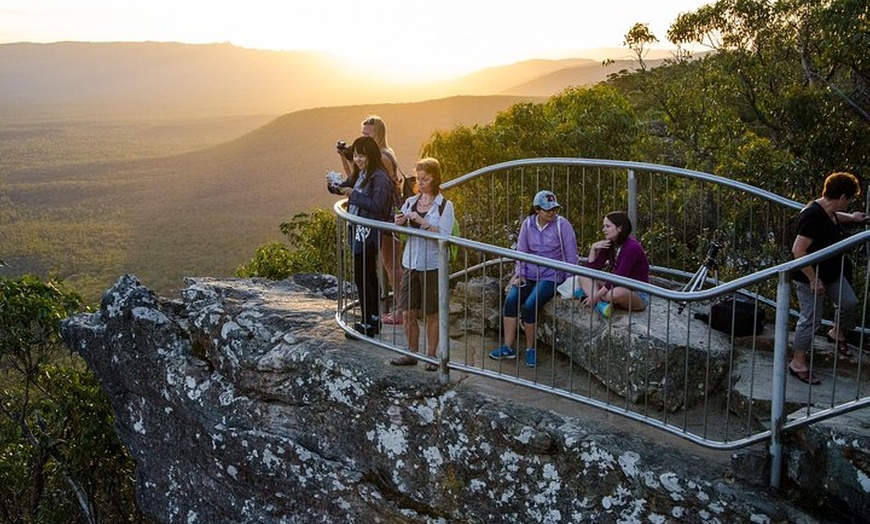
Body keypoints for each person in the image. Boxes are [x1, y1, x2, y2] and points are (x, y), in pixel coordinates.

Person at [789, 171, 868, 385]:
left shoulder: (828, 210)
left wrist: (852, 218)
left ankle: (836, 332)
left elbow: (833, 217)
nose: (849, 203)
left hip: (832, 273)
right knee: (811, 319)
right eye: (849, 199)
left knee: (849, 302)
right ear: (842, 197)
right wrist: (813, 279)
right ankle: (798, 363)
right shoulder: (812, 215)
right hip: (809, 278)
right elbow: (798, 250)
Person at [489, 190, 579, 368]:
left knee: (531, 305)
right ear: (537, 210)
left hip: (552, 274)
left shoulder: (563, 225)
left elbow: (571, 254)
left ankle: (531, 349)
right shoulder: (528, 224)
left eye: (555, 209)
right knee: (512, 300)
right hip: (529, 272)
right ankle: (508, 346)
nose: (552, 213)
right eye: (548, 210)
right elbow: (521, 251)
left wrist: (571, 281)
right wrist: (519, 273)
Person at [337, 115, 405, 326]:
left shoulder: (382, 158)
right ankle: (386, 310)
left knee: (391, 265)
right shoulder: (381, 154)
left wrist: (351, 191)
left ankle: (401, 311)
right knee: (384, 265)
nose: (364, 136)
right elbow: (358, 178)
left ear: (379, 134)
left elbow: (365, 185)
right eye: (362, 133)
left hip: (383, 218)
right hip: (379, 217)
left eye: (368, 134)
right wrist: (347, 157)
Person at [389, 158, 455, 372]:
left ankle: (431, 356)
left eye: (425, 179)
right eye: (418, 178)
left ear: (435, 178)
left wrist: (423, 223)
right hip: (411, 262)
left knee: (431, 313)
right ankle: (411, 352)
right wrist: (399, 222)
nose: (421, 182)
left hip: (432, 265)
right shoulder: (410, 202)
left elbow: (445, 235)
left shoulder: (445, 206)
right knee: (407, 312)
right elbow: (399, 231)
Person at [577, 211, 650, 318]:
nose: (603, 230)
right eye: (604, 226)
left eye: (607, 226)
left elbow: (619, 276)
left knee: (615, 293)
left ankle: (594, 297)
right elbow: (591, 270)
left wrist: (595, 295)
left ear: (619, 228)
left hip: (636, 293)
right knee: (583, 275)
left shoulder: (632, 247)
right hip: (616, 285)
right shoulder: (610, 244)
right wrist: (593, 248)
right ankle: (601, 305)